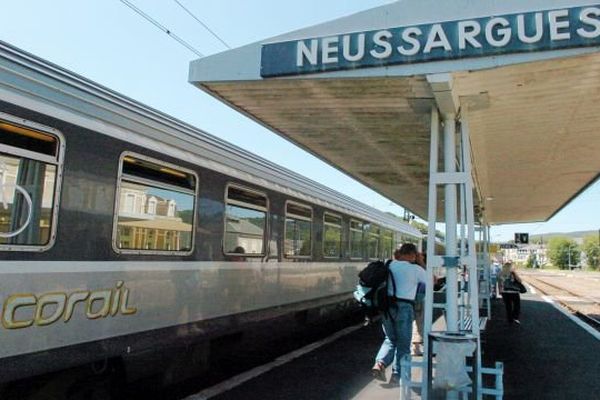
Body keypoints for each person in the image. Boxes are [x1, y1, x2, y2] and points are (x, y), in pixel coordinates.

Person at [371, 243, 428, 386]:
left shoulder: (389, 265)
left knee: (390, 339)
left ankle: (380, 364)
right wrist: (421, 262)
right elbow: (432, 281)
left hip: (387, 307)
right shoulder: (416, 269)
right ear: (412, 254)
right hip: (404, 308)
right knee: (403, 343)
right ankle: (397, 376)